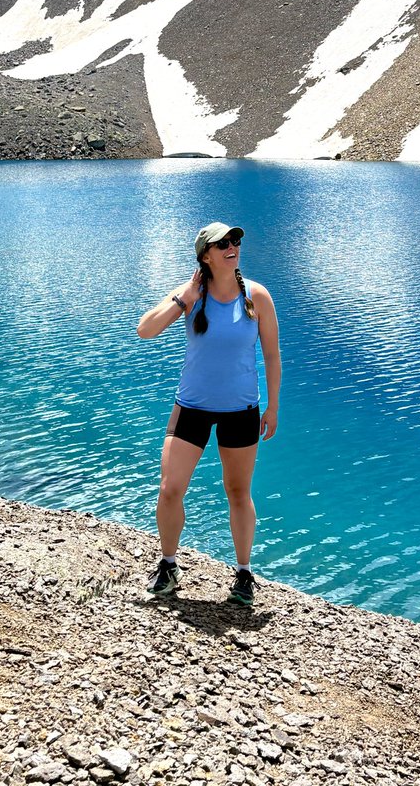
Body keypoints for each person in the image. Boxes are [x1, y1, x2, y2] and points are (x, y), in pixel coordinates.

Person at [137, 222, 281, 606]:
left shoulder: (257, 296)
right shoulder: (192, 296)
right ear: (205, 255)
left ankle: (244, 574)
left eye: (235, 241)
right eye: (223, 244)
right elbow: (145, 330)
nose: (232, 247)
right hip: (192, 409)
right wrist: (184, 297)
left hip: (242, 411)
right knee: (170, 489)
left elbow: (271, 355)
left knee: (237, 491)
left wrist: (273, 406)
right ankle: (168, 564)